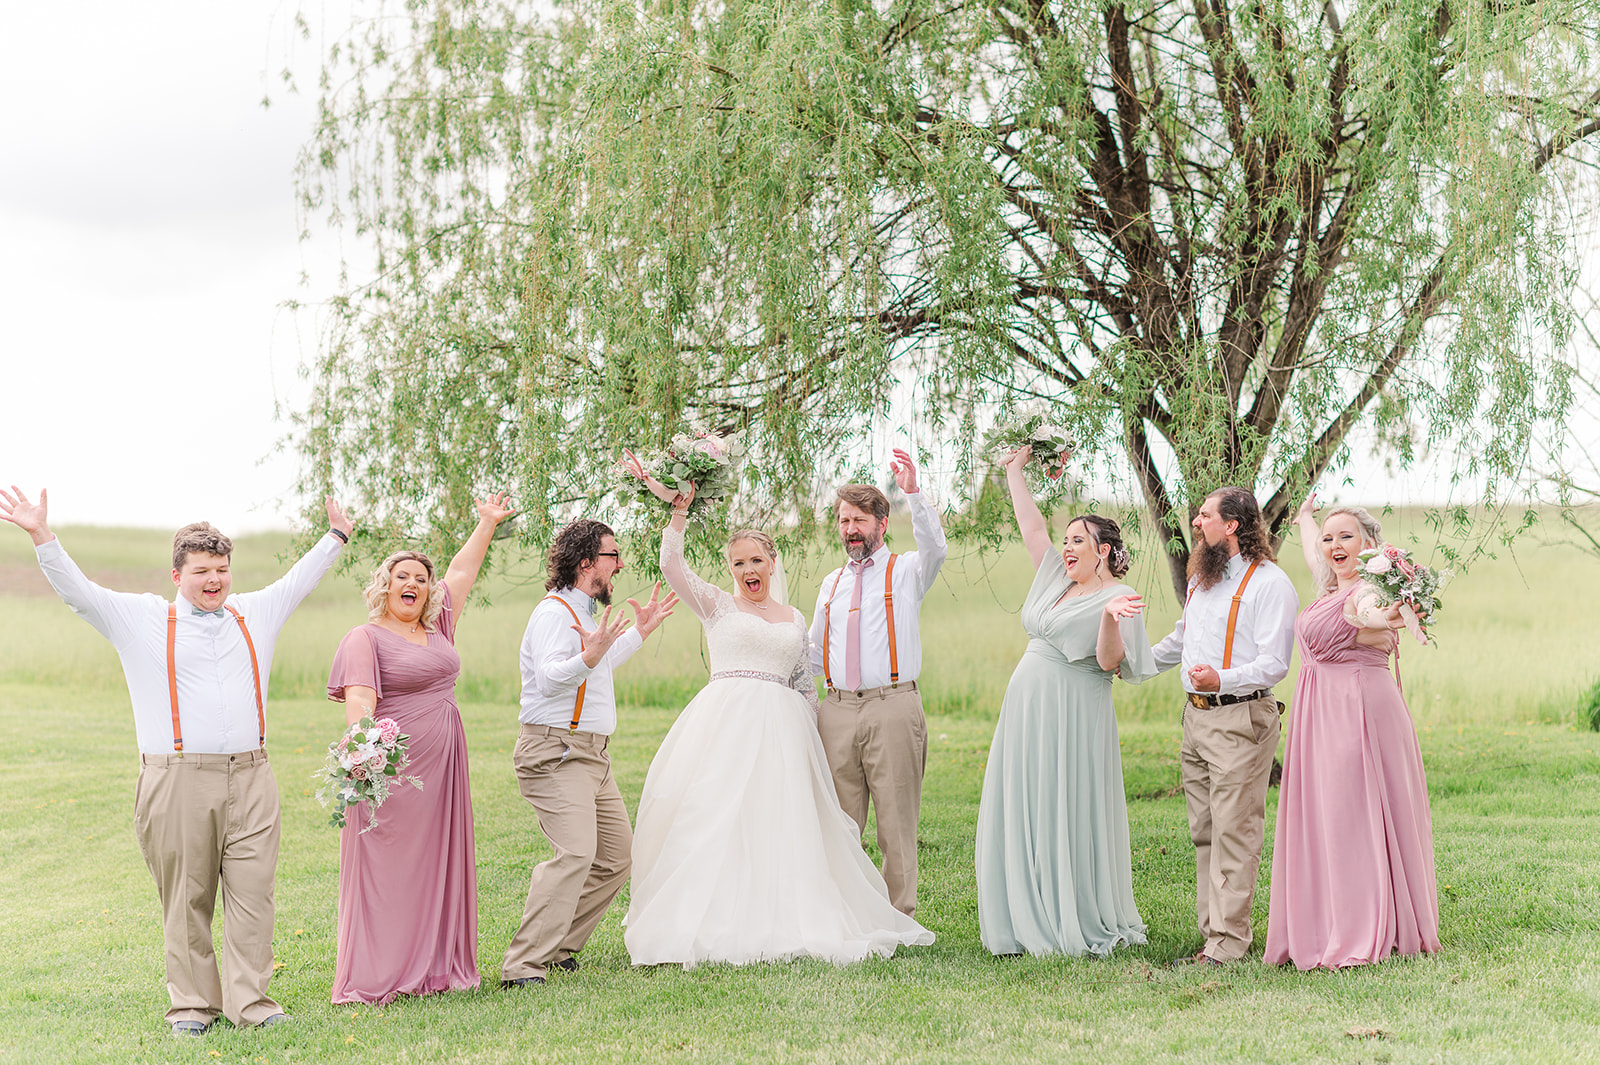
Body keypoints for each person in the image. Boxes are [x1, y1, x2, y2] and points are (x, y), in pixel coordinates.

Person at [0, 485, 351, 1035]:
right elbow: (82, 595)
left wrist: (336, 536)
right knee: (187, 898)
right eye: (202, 571)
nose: (214, 580)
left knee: (255, 894)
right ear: (177, 576)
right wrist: (42, 535)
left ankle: (251, 1005)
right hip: (177, 778)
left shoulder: (252, 614)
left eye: (222, 569)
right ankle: (192, 1005)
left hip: (253, 774)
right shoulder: (141, 619)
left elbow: (297, 581)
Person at [620, 477, 934, 965]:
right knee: (716, 818)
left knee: (786, 823)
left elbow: (804, 680)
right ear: (730, 569)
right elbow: (671, 565)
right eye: (739, 562)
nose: (749, 569)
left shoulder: (793, 616)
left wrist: (815, 733)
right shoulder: (717, 606)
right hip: (725, 727)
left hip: (785, 732)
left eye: (757, 561)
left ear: (772, 564)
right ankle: (710, 915)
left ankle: (817, 908)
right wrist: (678, 514)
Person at [325, 493, 517, 1004]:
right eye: (402, 575)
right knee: (390, 865)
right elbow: (361, 703)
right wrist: (364, 759)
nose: (413, 583)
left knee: (437, 861)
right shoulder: (364, 638)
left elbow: (462, 571)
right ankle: (382, 970)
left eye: (420, 578)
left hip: (444, 768)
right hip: (395, 770)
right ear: (384, 585)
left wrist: (486, 523)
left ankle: (436, 966)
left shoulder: (438, 628)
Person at [975, 448, 1157, 956]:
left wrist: (1110, 619)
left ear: (1103, 551)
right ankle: (1020, 912)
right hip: (1026, 711)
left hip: (1073, 713)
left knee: (1066, 803)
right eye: (1067, 539)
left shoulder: (1118, 596)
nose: (1066, 546)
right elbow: (1032, 528)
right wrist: (1014, 471)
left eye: (1078, 540)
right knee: (1027, 799)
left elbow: (1108, 663)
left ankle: (1070, 913)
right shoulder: (1055, 578)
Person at [1263, 495, 1440, 969]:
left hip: (1357, 708)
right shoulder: (1328, 587)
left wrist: (1401, 613)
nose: (1334, 545)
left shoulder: (1367, 591)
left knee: (1352, 813)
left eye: (1346, 537)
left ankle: (1363, 923)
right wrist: (1304, 519)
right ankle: (1331, 915)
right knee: (1330, 810)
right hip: (1322, 709)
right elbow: (1311, 551)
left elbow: (1370, 615)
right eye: (1329, 538)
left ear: (1368, 545)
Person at [499, 519, 677, 987]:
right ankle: (523, 964)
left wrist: (637, 632)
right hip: (555, 751)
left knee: (617, 857)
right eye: (612, 556)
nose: (619, 565)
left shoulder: (582, 613)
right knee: (576, 853)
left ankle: (558, 948)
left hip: (593, 757)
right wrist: (591, 654)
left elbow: (597, 666)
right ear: (585, 563)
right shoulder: (554, 613)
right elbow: (551, 677)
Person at [1151, 486, 1298, 964]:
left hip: (1240, 718)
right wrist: (1131, 664)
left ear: (1231, 526)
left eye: (1204, 515)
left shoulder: (1270, 584)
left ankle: (1229, 945)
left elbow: (1275, 663)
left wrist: (1222, 679)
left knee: (1235, 832)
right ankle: (1212, 935)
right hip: (1195, 718)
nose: (1195, 521)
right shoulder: (1202, 579)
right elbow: (1182, 639)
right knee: (1205, 832)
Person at [809, 447, 947, 917]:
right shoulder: (830, 584)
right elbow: (811, 651)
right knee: (840, 822)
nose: (851, 530)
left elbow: (937, 548)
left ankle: (897, 917)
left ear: (881, 524)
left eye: (860, 520)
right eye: (845, 521)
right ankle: (845, 914)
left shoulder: (906, 570)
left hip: (893, 706)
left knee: (895, 821)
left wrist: (913, 491)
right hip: (837, 709)